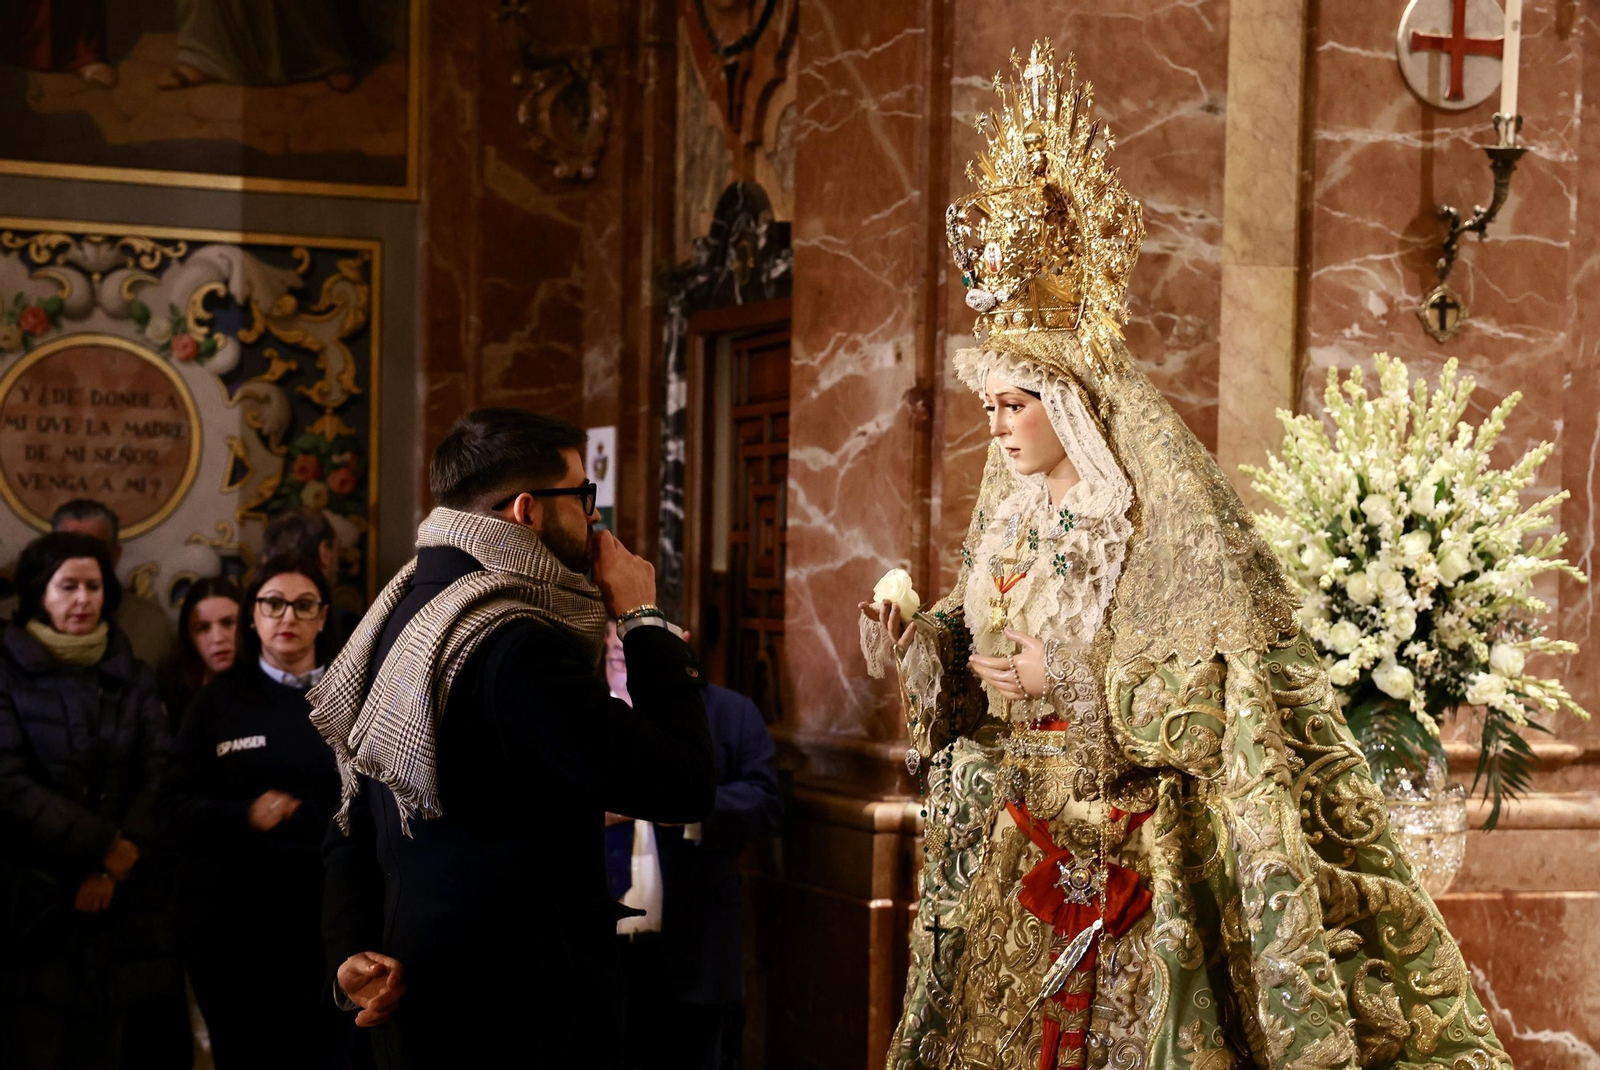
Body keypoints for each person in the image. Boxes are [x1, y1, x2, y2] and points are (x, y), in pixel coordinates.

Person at [863, 43, 1513, 1070]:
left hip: (1120, 829)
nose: (997, 428)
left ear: (1068, 406)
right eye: (988, 406)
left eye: (1015, 404)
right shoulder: (1012, 515)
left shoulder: (1144, 520)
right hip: (1013, 830)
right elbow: (981, 624)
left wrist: (1062, 676)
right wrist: (926, 635)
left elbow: (1203, 690)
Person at [313, 407, 716, 1070]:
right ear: (528, 510)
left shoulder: (401, 611)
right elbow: (684, 783)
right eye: (582, 495)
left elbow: (352, 819)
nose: (594, 516)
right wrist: (644, 618)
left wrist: (348, 951)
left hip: (417, 1001)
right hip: (519, 1016)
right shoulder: (513, 643)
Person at [161, 556, 349, 1069]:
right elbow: (171, 809)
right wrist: (245, 814)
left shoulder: (353, 695)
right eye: (273, 604)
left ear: (322, 616)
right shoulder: (217, 702)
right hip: (235, 928)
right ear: (253, 615)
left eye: (303, 605)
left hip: (330, 920)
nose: (288, 617)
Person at [0, 532, 172, 1069]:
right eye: (68, 586)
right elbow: (8, 781)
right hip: (29, 900)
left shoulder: (130, 673)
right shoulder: (7, 670)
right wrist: (101, 845)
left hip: (118, 902)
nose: (82, 599)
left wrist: (115, 864)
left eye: (93, 587)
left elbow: (159, 773)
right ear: (39, 593)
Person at [603, 623, 782, 1070]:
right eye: (614, 645)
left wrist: (690, 809)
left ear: (678, 642)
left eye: (633, 641)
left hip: (695, 946)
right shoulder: (581, 714)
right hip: (600, 952)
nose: (620, 650)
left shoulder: (731, 712)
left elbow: (765, 802)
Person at [51, 500, 174, 672]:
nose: (81, 562)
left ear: (115, 556)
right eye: (68, 549)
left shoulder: (150, 625)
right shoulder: (16, 617)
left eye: (94, 551)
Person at [262, 508, 360, 653]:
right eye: (337, 550)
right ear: (324, 552)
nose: (338, 566)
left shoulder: (248, 621)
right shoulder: (345, 626)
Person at [158, 575, 244, 727]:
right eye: (203, 628)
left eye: (228, 623)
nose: (217, 638)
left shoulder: (273, 678)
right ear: (189, 636)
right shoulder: (175, 685)